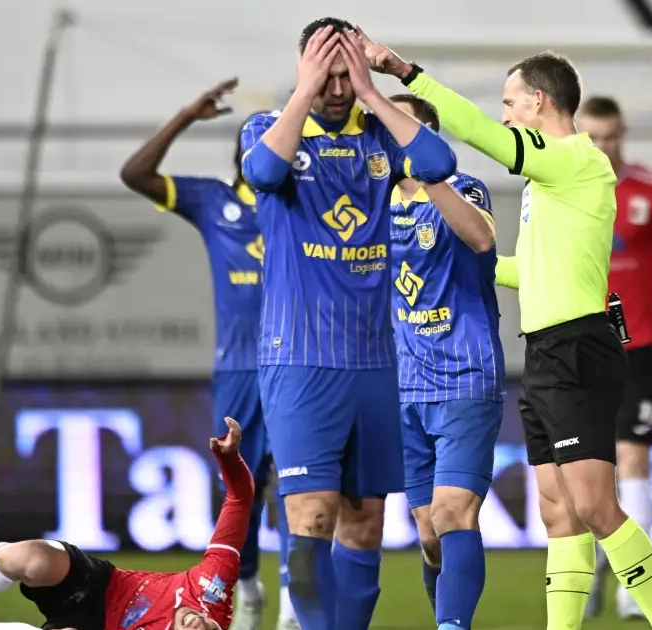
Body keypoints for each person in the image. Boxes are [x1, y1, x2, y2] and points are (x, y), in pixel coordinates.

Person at [355, 31, 652, 630]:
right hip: (547, 349)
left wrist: (405, 73)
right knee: (558, 513)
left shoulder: (574, 158)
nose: (504, 114)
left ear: (537, 101)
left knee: (595, 506)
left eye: (509, 102)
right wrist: (459, 262)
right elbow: (528, 271)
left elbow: (478, 132)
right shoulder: (549, 182)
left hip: (577, 345)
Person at [239, 18, 456, 630]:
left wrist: (372, 92)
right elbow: (263, 175)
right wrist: (304, 91)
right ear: (304, 69)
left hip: (375, 362)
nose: (337, 88)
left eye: (345, 74)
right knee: (310, 517)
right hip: (301, 360)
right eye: (327, 75)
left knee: (364, 523)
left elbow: (438, 162)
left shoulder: (378, 133)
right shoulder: (268, 127)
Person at [119, 78, 297, 630]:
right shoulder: (214, 200)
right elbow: (135, 175)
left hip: (299, 364)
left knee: (299, 483)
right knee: (243, 486)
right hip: (239, 369)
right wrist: (184, 116)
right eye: (259, 143)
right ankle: (249, 589)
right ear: (243, 155)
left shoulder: (304, 205)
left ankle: (295, 604)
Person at [0, 417, 254, 630]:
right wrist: (230, 460)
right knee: (33, 558)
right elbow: (239, 499)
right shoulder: (213, 587)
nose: (197, 627)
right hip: (106, 585)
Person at [386, 93, 505, 630]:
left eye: (403, 127)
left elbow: (481, 238)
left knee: (453, 510)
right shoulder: (369, 206)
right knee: (429, 532)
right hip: (403, 385)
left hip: (464, 376)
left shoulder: (463, 188)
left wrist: (429, 173)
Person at [578, 96, 652, 620]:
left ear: (622, 134)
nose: (603, 146)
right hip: (581, 346)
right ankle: (587, 572)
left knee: (633, 459)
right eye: (594, 137)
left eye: (611, 136)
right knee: (587, 470)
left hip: (641, 347)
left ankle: (633, 585)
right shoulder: (563, 187)